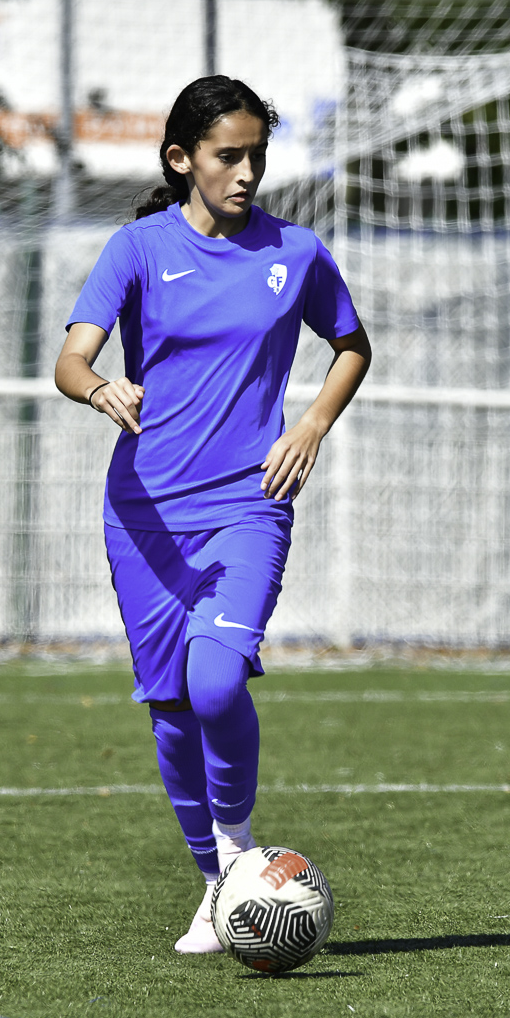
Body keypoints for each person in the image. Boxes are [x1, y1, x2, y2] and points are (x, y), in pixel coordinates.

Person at [53, 75, 371, 954]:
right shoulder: (137, 249)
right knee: (169, 708)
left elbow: (351, 346)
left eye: (256, 156)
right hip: (145, 515)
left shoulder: (296, 252)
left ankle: (236, 852)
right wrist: (101, 387)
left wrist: (311, 424)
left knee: (218, 682)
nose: (246, 173)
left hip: (248, 503)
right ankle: (216, 884)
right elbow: (71, 361)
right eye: (228, 156)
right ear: (180, 159)